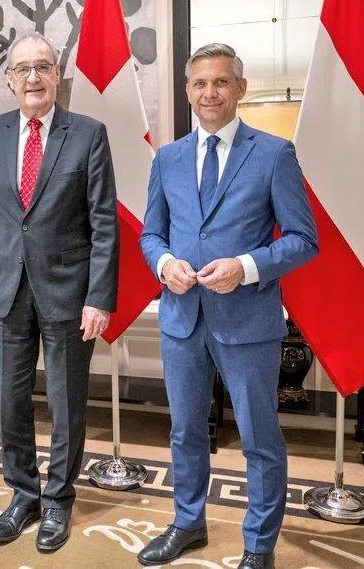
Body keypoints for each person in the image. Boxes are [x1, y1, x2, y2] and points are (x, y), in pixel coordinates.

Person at [138, 44, 318, 569]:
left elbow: (305, 239)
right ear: (188, 90)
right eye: (199, 83)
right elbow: (151, 233)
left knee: (260, 437)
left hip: (248, 320)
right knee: (185, 431)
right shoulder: (167, 158)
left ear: (240, 89)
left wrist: (247, 265)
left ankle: (259, 547)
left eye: (220, 82)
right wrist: (163, 261)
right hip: (181, 319)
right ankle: (188, 524)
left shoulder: (274, 153)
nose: (209, 92)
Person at [0, 32, 118, 552]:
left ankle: (58, 500)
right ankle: (23, 493)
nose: (33, 77)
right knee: (9, 402)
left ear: (57, 75)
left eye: (43, 67)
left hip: (70, 294)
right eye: (23, 68)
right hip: (5, 291)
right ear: (9, 79)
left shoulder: (89, 134)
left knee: (67, 403)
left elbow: (103, 223)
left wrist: (99, 297)